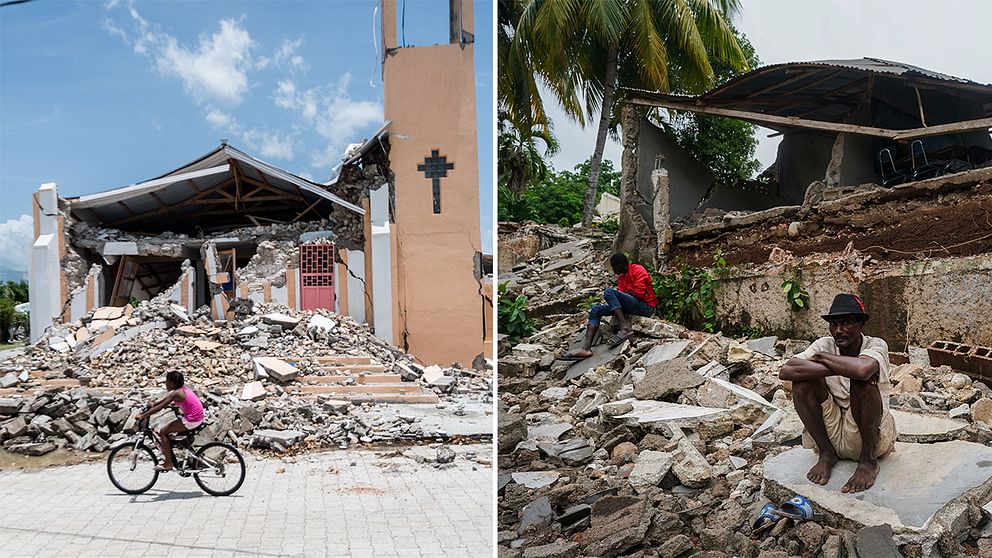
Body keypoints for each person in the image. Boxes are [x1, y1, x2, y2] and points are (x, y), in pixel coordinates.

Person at [779, 293, 896, 493]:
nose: (839, 330)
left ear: (861, 324)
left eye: (846, 323)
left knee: (863, 381)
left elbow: (861, 371)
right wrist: (843, 367)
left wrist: (823, 360)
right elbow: (786, 371)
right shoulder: (824, 344)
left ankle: (868, 462)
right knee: (802, 383)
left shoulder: (876, 344)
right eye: (834, 324)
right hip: (832, 432)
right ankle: (826, 454)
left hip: (868, 434)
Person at [563, 253, 658, 360]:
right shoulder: (622, 278)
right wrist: (626, 296)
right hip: (632, 305)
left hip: (646, 307)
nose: (613, 270)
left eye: (613, 267)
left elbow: (639, 294)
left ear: (620, 265)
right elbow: (624, 296)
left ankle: (624, 328)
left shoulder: (637, 270)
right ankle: (586, 348)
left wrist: (625, 296)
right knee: (596, 309)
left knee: (608, 292)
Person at [135, 371, 205, 472]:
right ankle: (194, 460)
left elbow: (161, 407)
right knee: (179, 439)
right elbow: (166, 400)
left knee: (163, 432)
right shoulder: (183, 389)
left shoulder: (177, 393)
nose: (165, 384)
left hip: (192, 419)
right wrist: (155, 403)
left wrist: (143, 416)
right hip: (198, 418)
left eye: (166, 382)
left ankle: (168, 463)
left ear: (172, 383)